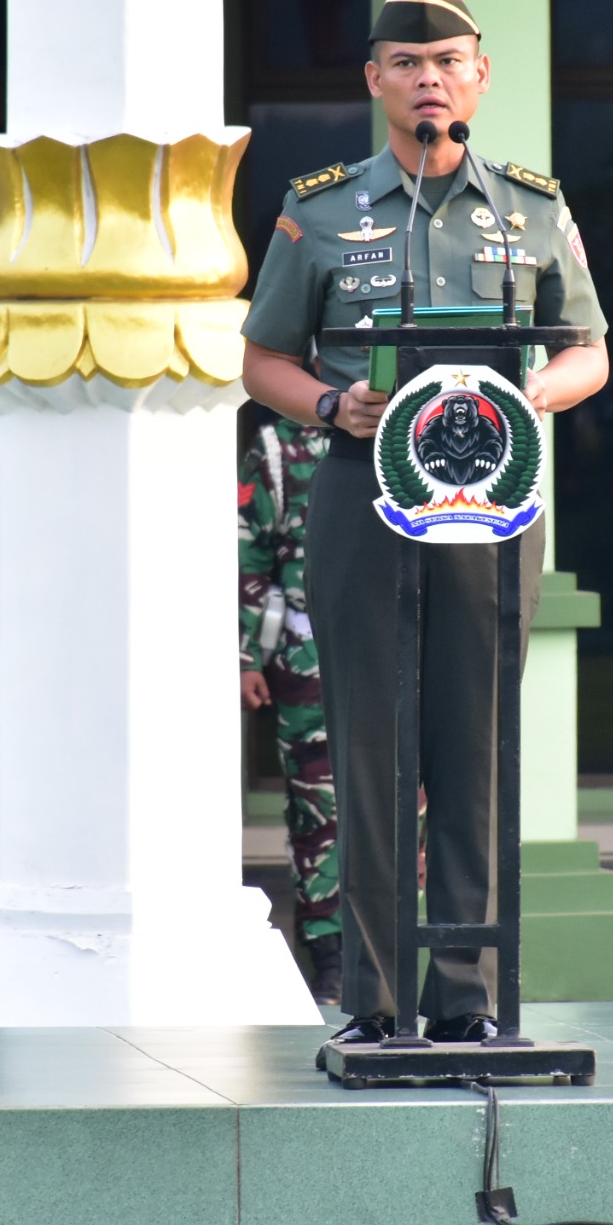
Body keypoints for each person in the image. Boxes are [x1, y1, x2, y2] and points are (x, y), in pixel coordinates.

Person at [239, 0, 610, 1053]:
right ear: (374, 82)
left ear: (479, 79)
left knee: (475, 742)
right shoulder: (320, 210)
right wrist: (327, 402)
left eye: (447, 63)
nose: (428, 80)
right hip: (363, 493)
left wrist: (538, 391)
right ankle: (374, 995)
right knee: (368, 747)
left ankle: (468, 996)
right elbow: (262, 356)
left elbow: (588, 348)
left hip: (491, 507)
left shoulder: (532, 210)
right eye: (406, 63)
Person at [238, 408, 342, 1004]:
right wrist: (245, 656)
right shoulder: (280, 447)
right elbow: (249, 551)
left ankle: (393, 948)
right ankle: (330, 953)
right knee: (317, 809)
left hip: (403, 651)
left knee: (410, 805)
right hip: (309, 656)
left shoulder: (419, 419)